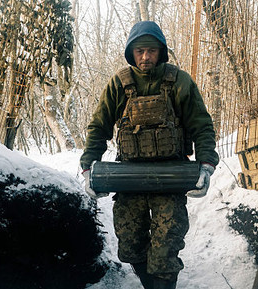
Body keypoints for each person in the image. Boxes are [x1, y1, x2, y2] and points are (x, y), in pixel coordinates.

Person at [80, 20, 220, 289]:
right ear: (131, 52)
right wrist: (89, 169)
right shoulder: (119, 84)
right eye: (140, 51)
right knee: (131, 244)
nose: (146, 57)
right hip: (130, 177)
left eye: (152, 51)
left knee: (166, 246)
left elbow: (201, 124)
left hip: (172, 176)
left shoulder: (179, 81)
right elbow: (99, 126)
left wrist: (206, 165)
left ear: (161, 52)